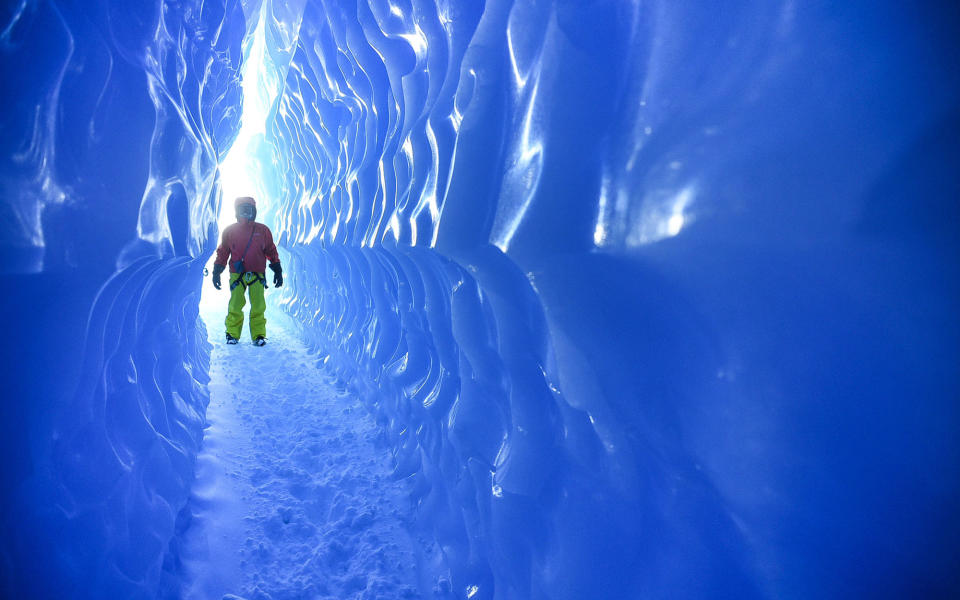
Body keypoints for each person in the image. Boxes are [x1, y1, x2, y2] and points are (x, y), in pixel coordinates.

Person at [211, 196, 283, 346]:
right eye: (242, 210)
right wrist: (217, 270)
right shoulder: (229, 231)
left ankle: (258, 335)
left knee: (258, 305)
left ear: (254, 211)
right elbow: (223, 251)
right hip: (237, 275)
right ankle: (232, 334)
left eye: (249, 210)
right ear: (236, 212)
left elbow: (271, 250)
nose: (246, 213)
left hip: (257, 274)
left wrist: (277, 269)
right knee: (236, 304)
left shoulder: (263, 230)